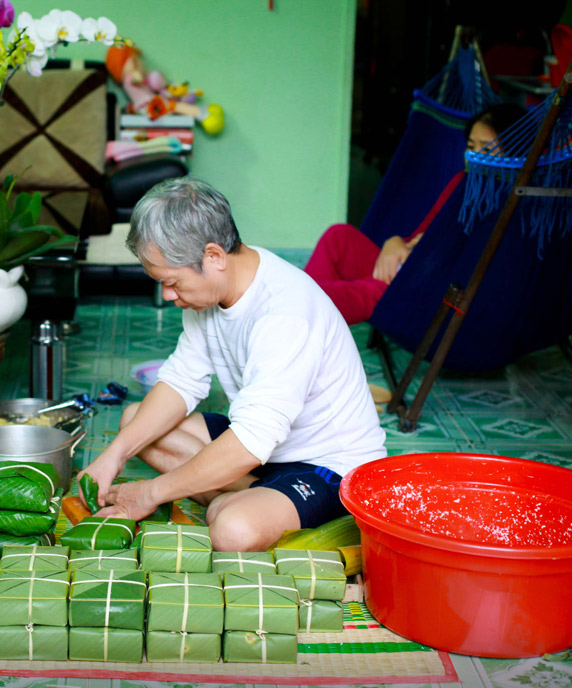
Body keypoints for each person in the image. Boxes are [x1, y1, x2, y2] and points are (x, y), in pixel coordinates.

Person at [80, 177, 387, 551]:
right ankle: (251, 495)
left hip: (327, 466)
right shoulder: (212, 291)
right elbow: (180, 382)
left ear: (214, 256)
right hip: (263, 447)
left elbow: (250, 442)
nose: (167, 295)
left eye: (173, 282)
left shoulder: (284, 314)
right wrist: (111, 458)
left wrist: (150, 493)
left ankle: (249, 502)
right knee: (134, 422)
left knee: (233, 531)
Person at [303, 103, 526, 324]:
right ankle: (304, 317)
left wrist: (427, 253)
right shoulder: (461, 183)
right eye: (471, 146)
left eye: (486, 149)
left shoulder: (515, 206)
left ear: (515, 153)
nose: (474, 157)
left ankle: (300, 311)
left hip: (436, 294)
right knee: (338, 237)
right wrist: (396, 243)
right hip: (412, 270)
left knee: (320, 296)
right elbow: (423, 233)